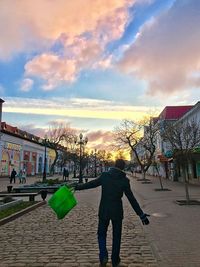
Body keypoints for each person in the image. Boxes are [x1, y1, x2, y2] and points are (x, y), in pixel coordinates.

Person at [75, 159, 150, 267]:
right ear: (123, 168)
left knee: (101, 234)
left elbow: (92, 184)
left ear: (115, 165)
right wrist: (141, 215)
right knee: (117, 236)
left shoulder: (105, 176)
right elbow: (132, 199)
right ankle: (115, 260)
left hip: (104, 210)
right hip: (117, 212)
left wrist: (78, 187)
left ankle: (103, 256)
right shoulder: (124, 180)